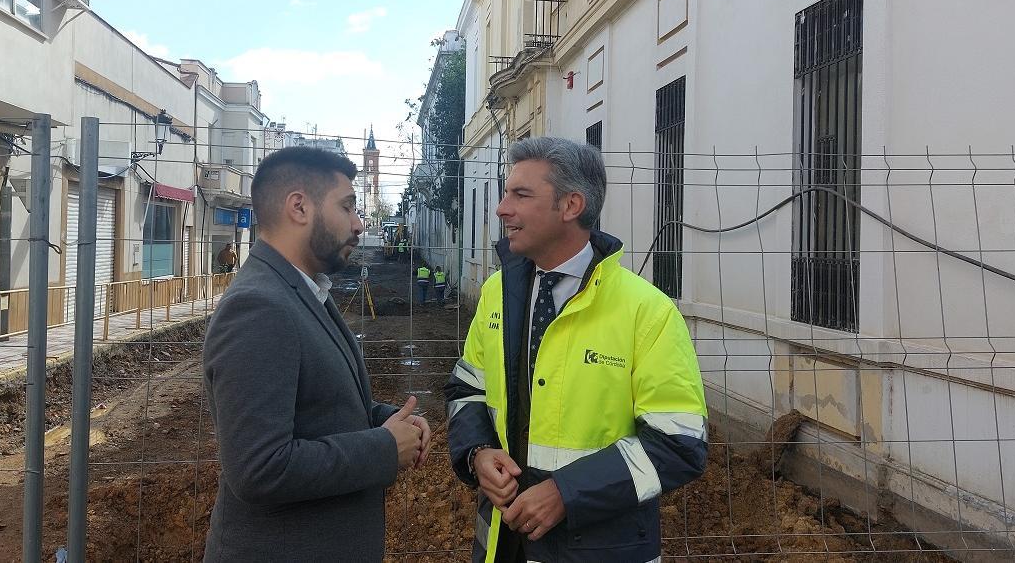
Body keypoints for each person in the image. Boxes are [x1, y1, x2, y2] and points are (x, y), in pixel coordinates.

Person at [444, 137, 708, 563]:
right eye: (505, 193)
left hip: (599, 549)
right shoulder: (497, 293)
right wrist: (477, 453)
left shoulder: (647, 312)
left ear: (571, 206)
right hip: (503, 543)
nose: (502, 208)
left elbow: (679, 443)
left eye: (521, 195)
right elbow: (465, 390)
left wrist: (567, 494)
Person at [203, 146, 431, 562]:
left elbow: (320, 404)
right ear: (299, 207)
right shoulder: (259, 306)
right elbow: (260, 468)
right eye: (347, 207)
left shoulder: (306, 291)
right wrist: (382, 448)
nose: (360, 224)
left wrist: (388, 420)